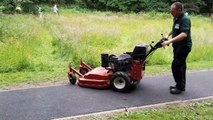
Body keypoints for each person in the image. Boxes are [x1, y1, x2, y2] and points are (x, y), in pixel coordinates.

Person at [162, 2, 192, 94]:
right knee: (180, 66)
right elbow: (175, 28)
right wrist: (168, 35)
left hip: (184, 46)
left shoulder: (185, 19)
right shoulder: (176, 17)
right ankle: (179, 84)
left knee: (177, 66)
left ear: (179, 10)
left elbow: (184, 34)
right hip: (177, 46)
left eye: (173, 11)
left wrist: (169, 41)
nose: (171, 12)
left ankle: (180, 87)